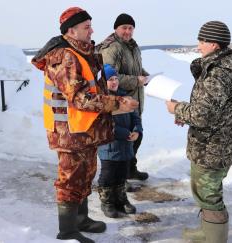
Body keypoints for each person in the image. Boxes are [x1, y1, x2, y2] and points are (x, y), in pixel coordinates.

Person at [31, 7, 138, 243]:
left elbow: (94, 89)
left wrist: (116, 103)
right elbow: (80, 98)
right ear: (71, 30)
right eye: (86, 27)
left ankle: (81, 220)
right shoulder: (64, 56)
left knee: (85, 175)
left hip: (85, 130)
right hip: (69, 132)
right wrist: (117, 102)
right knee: (70, 180)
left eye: (91, 25)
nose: (92, 31)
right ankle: (67, 231)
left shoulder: (84, 53)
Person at [166, 21, 232, 242]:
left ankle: (213, 237)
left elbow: (203, 115)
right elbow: (211, 110)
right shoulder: (226, 66)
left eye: (201, 41)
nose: (198, 46)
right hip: (217, 142)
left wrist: (177, 108)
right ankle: (207, 232)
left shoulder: (218, 73)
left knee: (208, 194)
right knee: (208, 191)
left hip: (212, 147)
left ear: (214, 44)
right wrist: (185, 115)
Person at [97, 13, 149, 181]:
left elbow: (135, 68)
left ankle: (130, 169)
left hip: (133, 101)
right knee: (122, 140)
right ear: (116, 28)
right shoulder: (112, 48)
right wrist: (136, 80)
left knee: (136, 135)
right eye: (124, 28)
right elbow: (109, 76)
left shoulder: (132, 46)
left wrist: (145, 75)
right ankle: (119, 178)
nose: (128, 31)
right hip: (119, 103)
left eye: (130, 28)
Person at [97, 64, 142, 218]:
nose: (114, 82)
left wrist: (137, 130)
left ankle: (121, 200)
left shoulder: (125, 97)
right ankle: (107, 202)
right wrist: (126, 133)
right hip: (109, 146)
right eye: (110, 79)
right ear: (103, 81)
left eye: (116, 78)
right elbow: (105, 124)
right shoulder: (101, 100)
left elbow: (135, 116)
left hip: (126, 144)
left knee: (122, 174)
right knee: (108, 175)